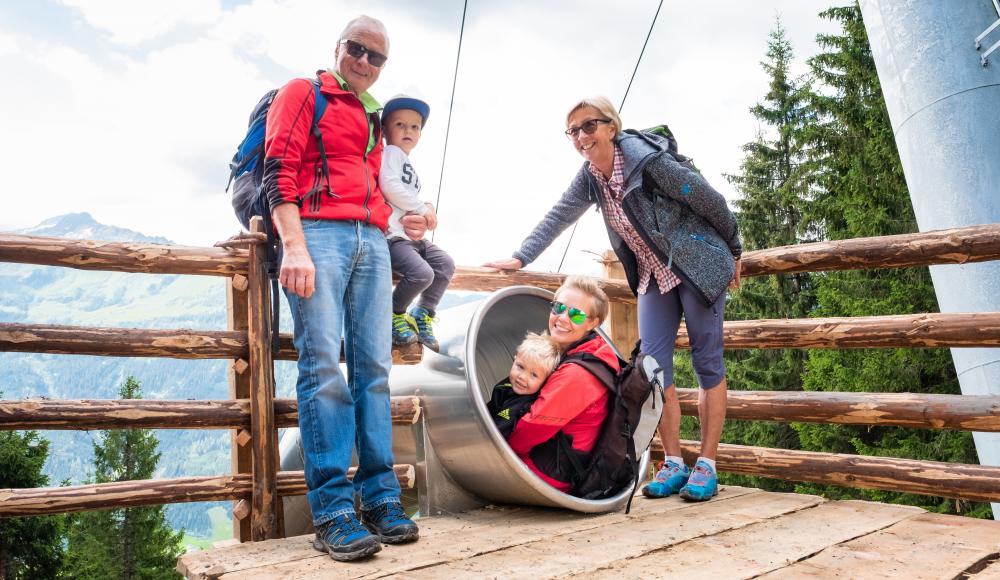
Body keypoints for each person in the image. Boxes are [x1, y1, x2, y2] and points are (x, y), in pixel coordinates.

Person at [486, 97, 742, 502]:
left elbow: (709, 200)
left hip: (697, 264)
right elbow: (558, 215)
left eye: (589, 126)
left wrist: (736, 251)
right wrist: (521, 255)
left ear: (612, 127)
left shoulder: (649, 164)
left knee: (707, 363)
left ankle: (707, 464)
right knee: (654, 371)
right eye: (573, 131)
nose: (582, 137)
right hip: (655, 277)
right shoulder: (590, 177)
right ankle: (673, 463)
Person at [262, 15, 418, 562]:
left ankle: (379, 496)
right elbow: (277, 167)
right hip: (318, 233)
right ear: (339, 48)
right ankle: (331, 509)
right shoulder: (303, 91)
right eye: (359, 50)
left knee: (374, 368)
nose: (366, 63)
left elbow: (379, 183)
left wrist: (410, 222)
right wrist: (294, 245)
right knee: (323, 363)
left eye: (377, 58)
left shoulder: (375, 117)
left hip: (372, 239)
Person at [506, 276, 618, 494]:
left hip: (550, 473)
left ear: (593, 322)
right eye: (559, 308)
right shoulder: (595, 351)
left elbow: (532, 428)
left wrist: (495, 452)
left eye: (576, 314)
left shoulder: (578, 373)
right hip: (566, 463)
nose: (562, 319)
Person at [378, 95, 455, 352]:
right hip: (394, 238)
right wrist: (421, 208)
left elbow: (406, 193)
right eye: (399, 124)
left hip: (413, 239)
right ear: (385, 130)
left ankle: (423, 312)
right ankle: (394, 313)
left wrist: (426, 206)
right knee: (422, 274)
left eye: (414, 126)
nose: (408, 130)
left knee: (445, 263)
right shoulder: (390, 153)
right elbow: (389, 185)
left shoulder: (406, 161)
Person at [487, 332, 561, 438]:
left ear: (545, 380)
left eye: (534, 375)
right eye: (520, 367)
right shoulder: (508, 384)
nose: (522, 377)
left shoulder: (522, 405)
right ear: (514, 359)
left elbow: (495, 433)